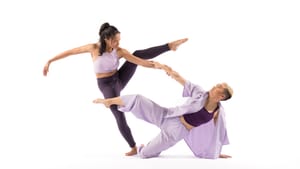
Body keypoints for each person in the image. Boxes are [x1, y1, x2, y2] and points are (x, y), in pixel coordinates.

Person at [43, 22, 188, 156]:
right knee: (118, 114)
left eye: (119, 40)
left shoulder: (120, 51)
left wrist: (159, 66)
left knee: (136, 53)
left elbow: (139, 62)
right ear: (106, 38)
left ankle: (169, 46)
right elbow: (70, 52)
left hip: (119, 78)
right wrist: (50, 61)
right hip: (106, 85)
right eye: (115, 40)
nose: (118, 43)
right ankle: (133, 147)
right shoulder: (92, 48)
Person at [93, 63, 233, 159]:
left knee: (145, 154)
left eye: (219, 86)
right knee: (139, 99)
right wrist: (167, 69)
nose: (216, 85)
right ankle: (109, 101)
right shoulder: (200, 93)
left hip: (176, 132)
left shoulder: (217, 112)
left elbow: (217, 133)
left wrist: (214, 152)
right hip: (169, 116)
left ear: (221, 96)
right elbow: (182, 80)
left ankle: (141, 148)